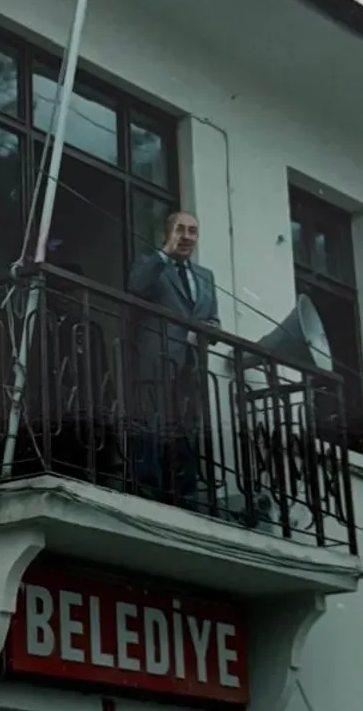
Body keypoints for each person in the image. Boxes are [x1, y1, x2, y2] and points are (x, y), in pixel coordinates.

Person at [125, 211, 220, 507]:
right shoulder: (150, 263)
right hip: (158, 358)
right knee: (152, 421)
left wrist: (207, 330)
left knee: (187, 426)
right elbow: (136, 287)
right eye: (180, 229)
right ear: (167, 233)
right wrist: (164, 254)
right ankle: (148, 488)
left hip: (191, 364)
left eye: (192, 231)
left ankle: (184, 492)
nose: (187, 236)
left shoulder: (205, 276)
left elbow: (213, 319)